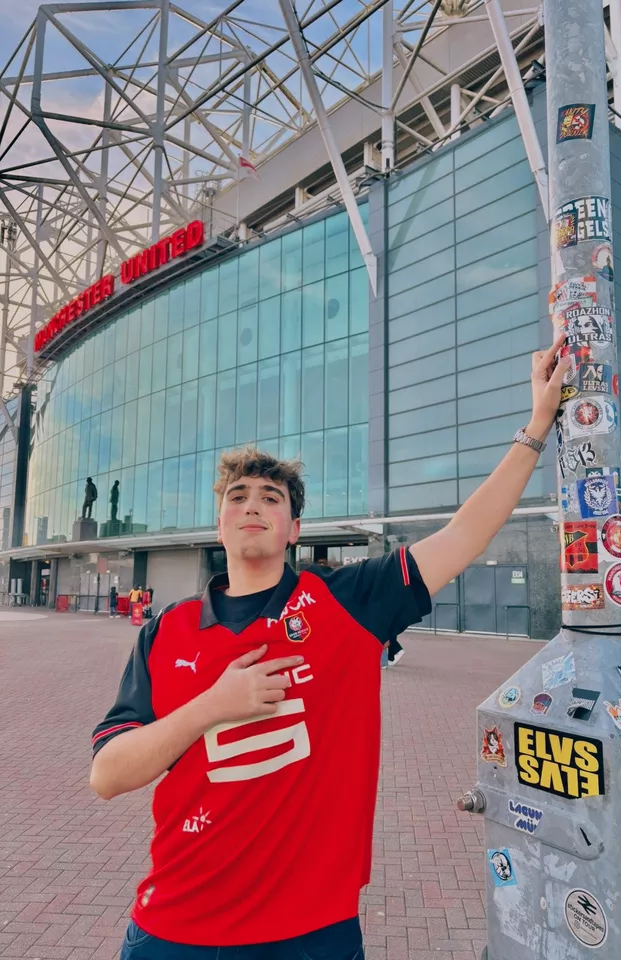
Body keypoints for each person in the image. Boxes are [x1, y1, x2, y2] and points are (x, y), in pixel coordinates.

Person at [89, 334, 567, 960]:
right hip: (172, 929)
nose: (252, 506)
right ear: (219, 525)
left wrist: (535, 425)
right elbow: (107, 775)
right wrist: (213, 706)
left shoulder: (345, 603)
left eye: (270, 498)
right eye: (238, 497)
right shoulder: (166, 630)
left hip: (309, 934)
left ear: (293, 529)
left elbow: (463, 536)